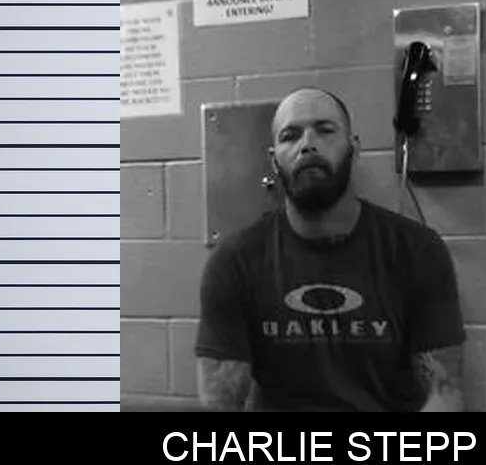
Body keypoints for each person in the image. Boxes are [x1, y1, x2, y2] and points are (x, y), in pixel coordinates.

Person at [193, 87, 467, 412]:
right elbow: (220, 403)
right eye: (290, 136)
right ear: (273, 160)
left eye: (325, 130)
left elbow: (444, 394)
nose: (308, 144)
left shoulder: (416, 251)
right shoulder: (236, 262)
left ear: (354, 148)